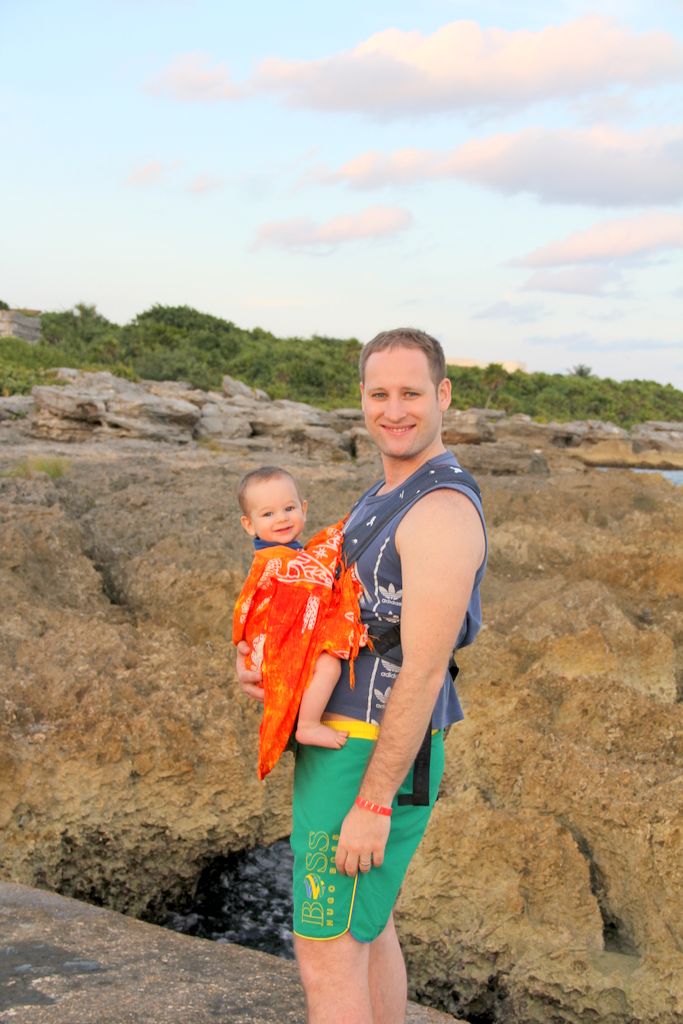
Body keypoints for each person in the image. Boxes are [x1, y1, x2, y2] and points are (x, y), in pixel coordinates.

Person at [236, 328, 487, 1024]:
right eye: (380, 394)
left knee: (326, 947)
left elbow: (424, 670)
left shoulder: (440, 511)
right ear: (362, 398)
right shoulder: (387, 491)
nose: (393, 410)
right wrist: (264, 659)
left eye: (411, 393)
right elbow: (324, 603)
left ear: (442, 395)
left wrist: (373, 804)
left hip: (368, 754)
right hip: (350, 745)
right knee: (368, 929)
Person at [234, 466, 367, 779]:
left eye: (289, 508)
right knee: (329, 665)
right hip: (274, 643)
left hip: (284, 638)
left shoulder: (295, 554)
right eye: (268, 514)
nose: (281, 518)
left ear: (304, 509)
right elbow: (250, 604)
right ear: (249, 524)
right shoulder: (272, 561)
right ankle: (307, 724)